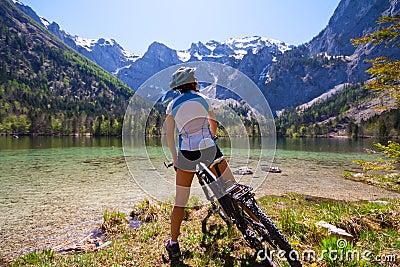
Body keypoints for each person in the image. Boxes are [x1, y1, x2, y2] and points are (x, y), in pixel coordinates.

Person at [165, 66, 235, 261]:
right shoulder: (203, 99)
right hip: (209, 149)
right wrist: (212, 138)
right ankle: (258, 222)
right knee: (233, 186)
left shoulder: (172, 105)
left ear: (178, 87)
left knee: (180, 201)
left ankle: (174, 244)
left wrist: (175, 159)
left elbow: (169, 135)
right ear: (193, 83)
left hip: (186, 152)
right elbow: (213, 123)